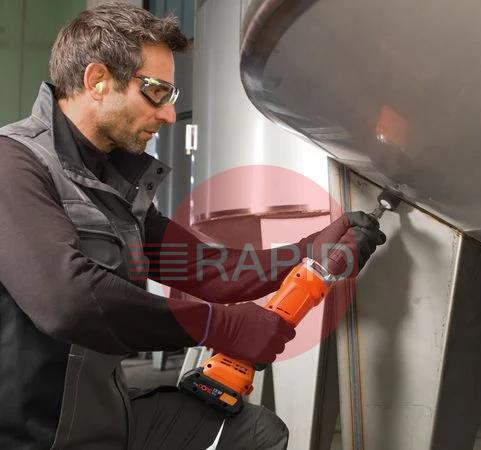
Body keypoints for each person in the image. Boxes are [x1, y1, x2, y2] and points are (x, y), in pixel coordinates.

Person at [0, 3, 386, 449]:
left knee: (257, 434)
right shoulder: (15, 164)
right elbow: (67, 300)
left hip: (102, 420)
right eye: (156, 92)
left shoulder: (112, 186)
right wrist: (220, 326)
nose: (168, 115)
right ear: (97, 80)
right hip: (30, 436)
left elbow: (212, 270)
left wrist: (309, 249)